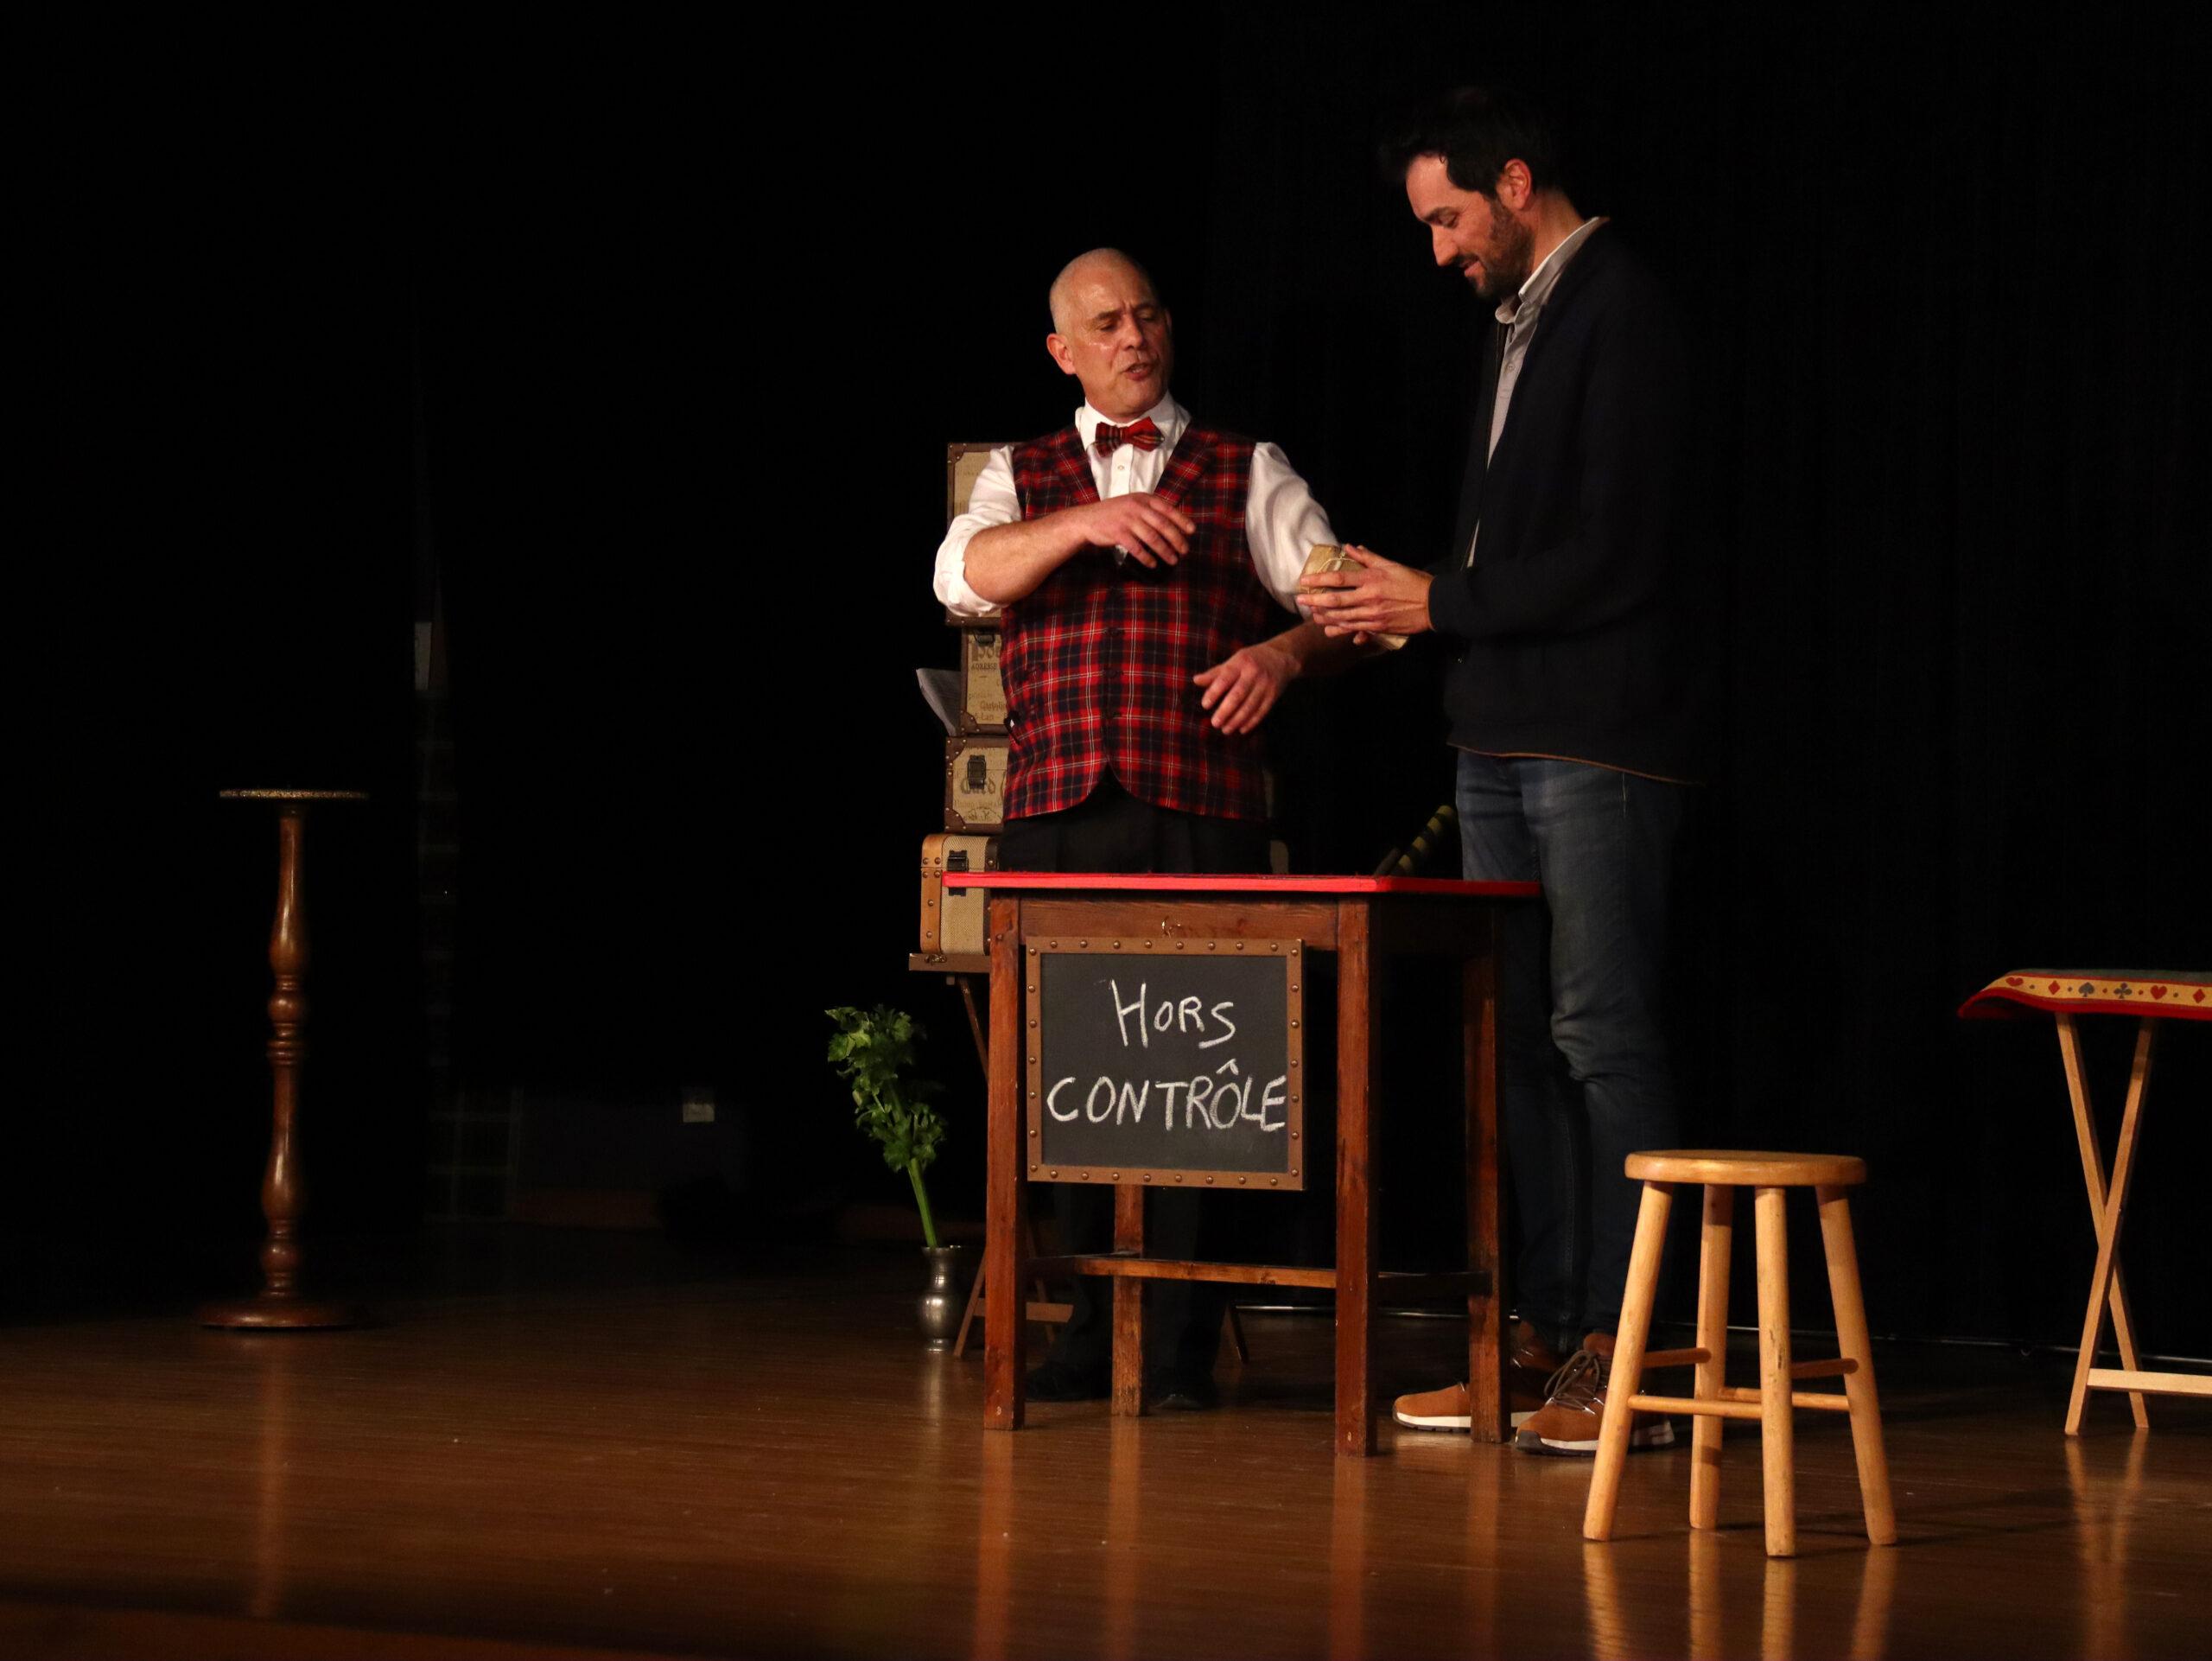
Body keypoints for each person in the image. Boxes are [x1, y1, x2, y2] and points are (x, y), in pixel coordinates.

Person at [1302, 88, 1705, 1454]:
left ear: (1517, 182)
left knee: (1602, 1037)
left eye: (1450, 219)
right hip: (1498, 739)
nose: (1439, 251)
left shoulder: (1625, 310)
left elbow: (1616, 558)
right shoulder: (1515, 323)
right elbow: (1500, 549)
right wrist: (1398, 599)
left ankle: (1629, 1348)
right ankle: (1537, 1332)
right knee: (1518, 1043)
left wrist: (1439, 603)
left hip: (1594, 742)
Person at [934, 247, 1351, 1410]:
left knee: (1197, 1079)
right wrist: (1088, 520)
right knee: (1069, 1079)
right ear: (1065, 350)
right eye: (1107, 323)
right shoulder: (1019, 478)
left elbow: (1344, 603)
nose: (1135, 336)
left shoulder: (1243, 465)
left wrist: (1283, 649)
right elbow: (963, 578)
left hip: (1197, 815)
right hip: (1059, 817)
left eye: (1149, 314)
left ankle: (1175, 1342)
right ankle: (1082, 1334)